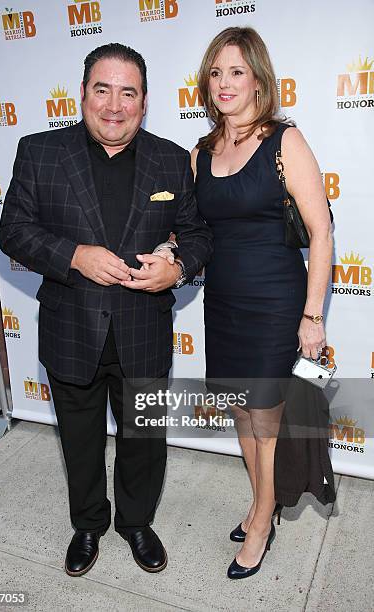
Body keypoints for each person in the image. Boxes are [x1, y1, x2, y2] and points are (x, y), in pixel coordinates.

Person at [0, 43, 212, 577]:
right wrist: (74, 256)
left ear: (144, 102)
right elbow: (14, 231)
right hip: (72, 329)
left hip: (144, 330)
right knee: (80, 440)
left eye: (128, 92)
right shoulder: (40, 151)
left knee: (144, 440)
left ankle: (136, 523)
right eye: (103, 89)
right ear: (83, 93)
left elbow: (198, 234)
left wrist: (178, 267)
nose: (114, 105)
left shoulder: (169, 158)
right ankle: (88, 525)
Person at [192, 27, 333, 579]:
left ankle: (258, 520)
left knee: (267, 419)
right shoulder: (201, 152)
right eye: (215, 72)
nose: (224, 83)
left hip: (276, 301)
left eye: (236, 71)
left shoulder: (284, 141)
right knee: (241, 412)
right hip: (222, 303)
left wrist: (313, 315)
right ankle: (262, 503)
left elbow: (321, 232)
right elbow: (195, 233)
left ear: (258, 79)